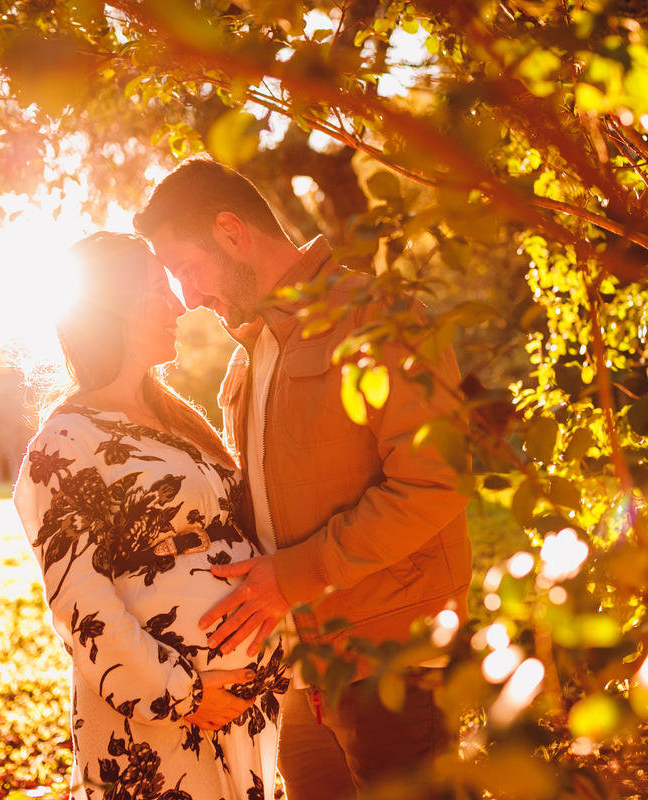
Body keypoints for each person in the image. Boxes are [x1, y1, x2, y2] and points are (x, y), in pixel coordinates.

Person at [134, 158, 472, 799]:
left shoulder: (377, 317)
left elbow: (435, 483)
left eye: (186, 269)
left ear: (232, 232)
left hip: (390, 666)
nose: (189, 297)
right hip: (296, 671)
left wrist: (292, 576)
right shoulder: (252, 355)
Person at [13, 232, 288, 800]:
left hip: (240, 706)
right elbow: (79, 602)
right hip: (159, 720)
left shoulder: (181, 420)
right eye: (158, 291)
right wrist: (183, 694)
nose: (179, 305)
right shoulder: (64, 442)